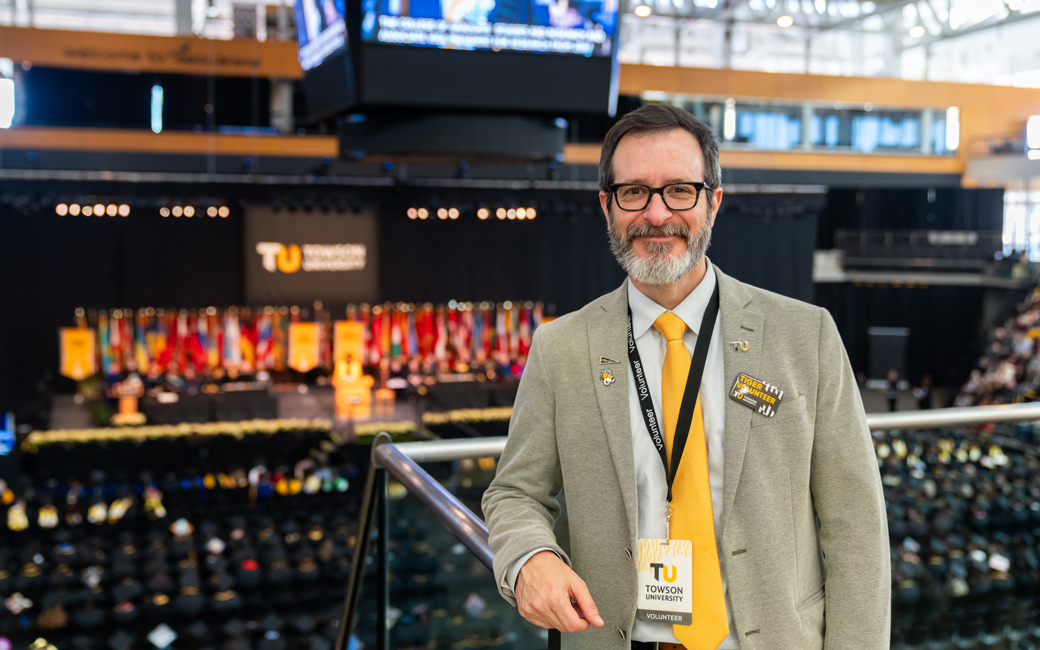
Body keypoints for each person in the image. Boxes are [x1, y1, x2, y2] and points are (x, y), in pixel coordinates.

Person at [482, 104, 889, 650]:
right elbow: (514, 493)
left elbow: (856, 527)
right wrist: (531, 557)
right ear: (607, 206)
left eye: (679, 190)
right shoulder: (561, 348)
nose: (656, 214)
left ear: (712, 202)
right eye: (634, 192)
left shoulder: (805, 335)